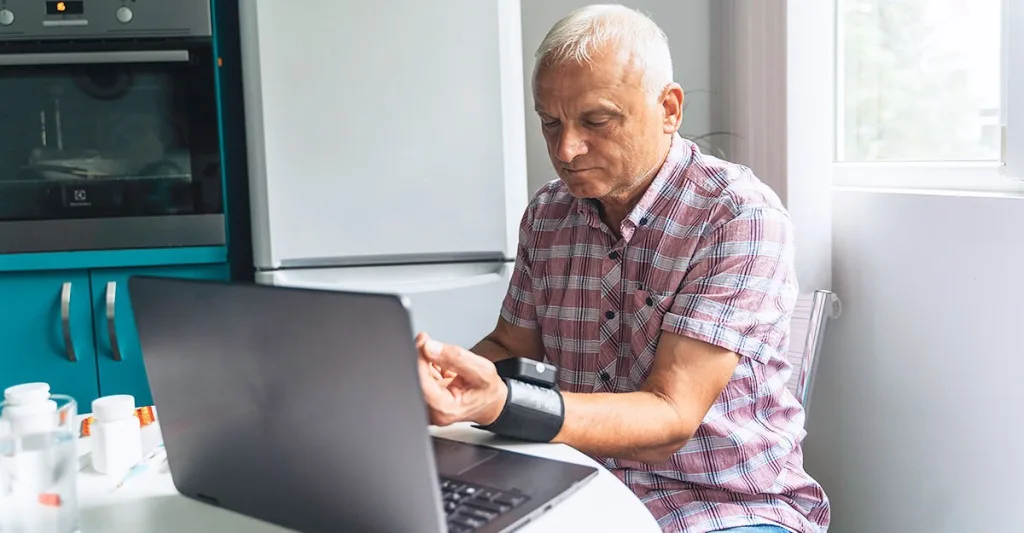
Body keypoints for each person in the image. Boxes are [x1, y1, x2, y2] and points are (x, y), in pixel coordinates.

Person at [415, 4, 830, 533]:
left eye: (596, 121)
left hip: (724, 506)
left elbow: (670, 417)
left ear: (669, 108)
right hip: (575, 480)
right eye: (550, 122)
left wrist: (505, 405)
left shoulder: (737, 215)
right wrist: (440, 378)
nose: (565, 150)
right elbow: (510, 348)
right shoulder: (548, 213)